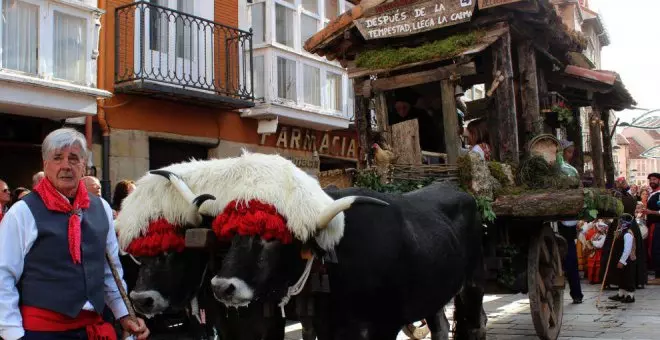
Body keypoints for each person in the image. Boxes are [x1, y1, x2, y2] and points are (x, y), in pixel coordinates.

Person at [0, 128, 149, 340]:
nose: (66, 166)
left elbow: (109, 269)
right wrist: (12, 333)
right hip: (41, 332)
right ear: (45, 165)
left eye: (73, 158)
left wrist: (124, 314)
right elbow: (3, 276)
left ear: (84, 166)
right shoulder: (22, 212)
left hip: (92, 330)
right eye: (57, 158)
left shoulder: (102, 209)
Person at [608, 215, 638, 303]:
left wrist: (622, 261)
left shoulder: (628, 234)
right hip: (621, 259)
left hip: (627, 260)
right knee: (621, 277)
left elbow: (627, 249)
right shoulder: (621, 232)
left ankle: (630, 295)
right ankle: (621, 294)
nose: (618, 223)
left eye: (620, 222)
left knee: (628, 277)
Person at [644, 173, 660, 282]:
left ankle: (659, 276)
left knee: (657, 250)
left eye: (654, 179)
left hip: (658, 225)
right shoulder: (652, 194)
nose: (652, 181)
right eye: (650, 180)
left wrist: (650, 212)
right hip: (652, 225)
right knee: (653, 250)